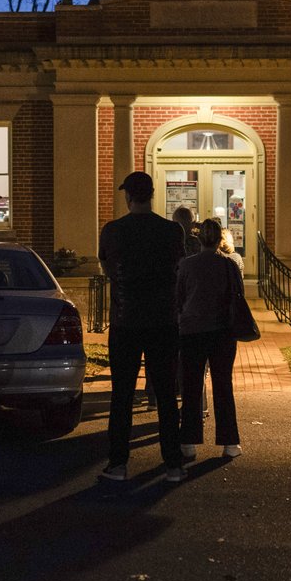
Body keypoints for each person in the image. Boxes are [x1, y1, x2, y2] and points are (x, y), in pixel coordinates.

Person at [97, 171, 187, 483]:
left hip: (126, 321)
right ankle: (173, 464)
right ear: (152, 195)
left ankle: (118, 464)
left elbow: (108, 268)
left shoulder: (113, 230)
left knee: (122, 395)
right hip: (163, 321)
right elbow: (178, 268)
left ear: (128, 196)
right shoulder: (172, 231)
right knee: (166, 394)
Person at [174, 217, 243, 460]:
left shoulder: (187, 265)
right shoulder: (229, 265)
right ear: (219, 239)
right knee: (223, 386)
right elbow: (238, 296)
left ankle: (188, 442)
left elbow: (178, 297)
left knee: (191, 387)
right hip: (222, 331)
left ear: (200, 238)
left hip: (192, 331)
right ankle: (230, 442)